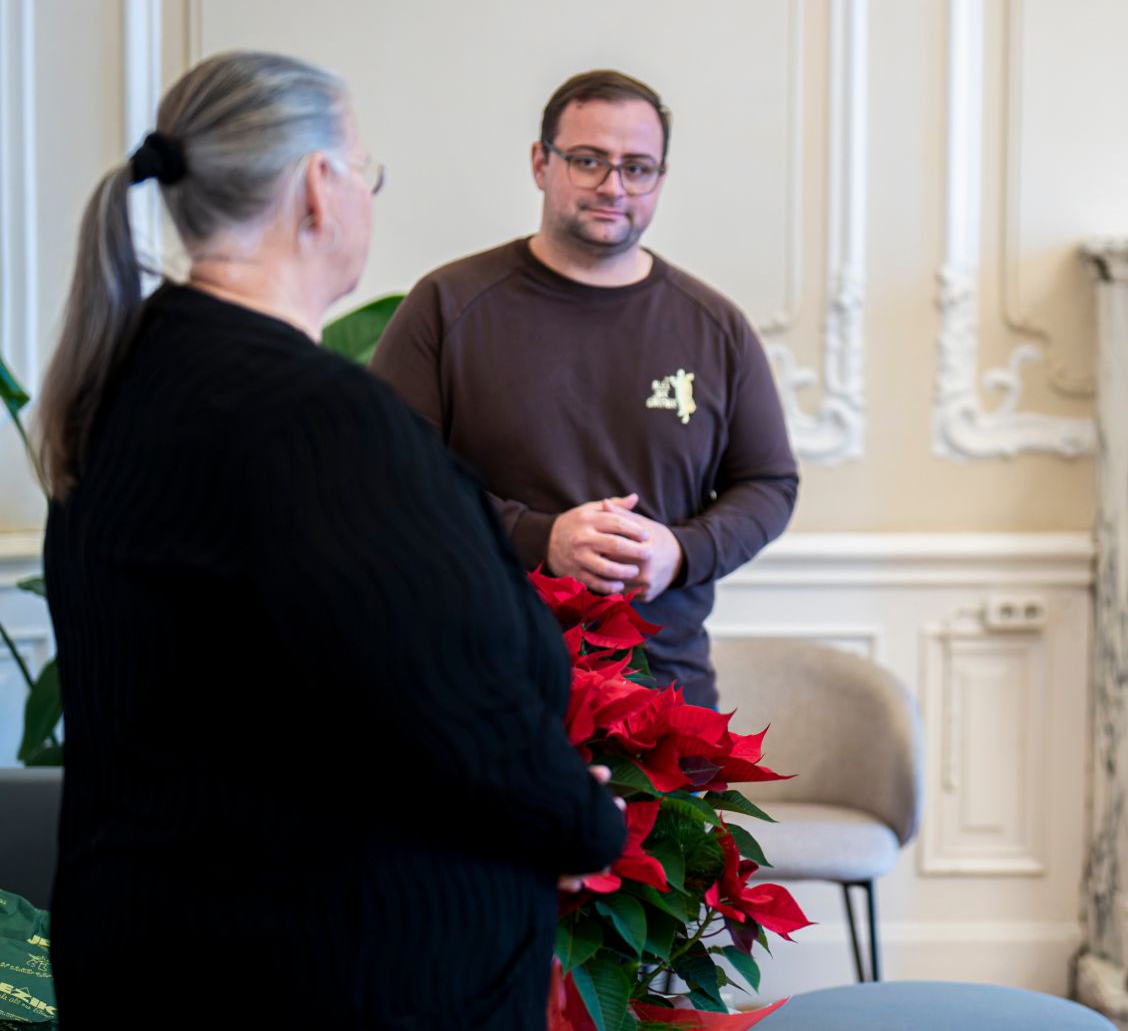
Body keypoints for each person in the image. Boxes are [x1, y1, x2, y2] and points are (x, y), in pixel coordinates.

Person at [36, 51, 627, 1029]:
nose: (366, 195)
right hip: (327, 971)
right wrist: (574, 819)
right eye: (366, 171)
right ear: (319, 188)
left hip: (150, 955)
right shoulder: (315, 420)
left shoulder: (122, 382)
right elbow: (447, 701)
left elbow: (292, 699)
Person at [371, 70, 799, 709]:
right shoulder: (448, 304)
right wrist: (540, 540)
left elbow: (769, 484)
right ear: (541, 163)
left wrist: (681, 550)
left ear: (661, 177)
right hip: (482, 687)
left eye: (637, 167)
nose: (612, 186)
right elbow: (388, 480)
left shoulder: (715, 326)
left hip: (664, 698)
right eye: (588, 161)